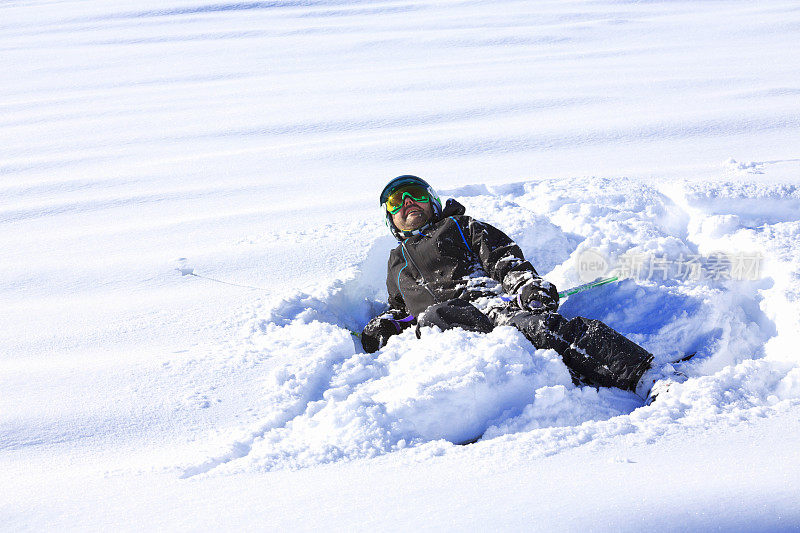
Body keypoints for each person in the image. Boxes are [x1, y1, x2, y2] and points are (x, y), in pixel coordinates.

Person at [360, 175, 684, 403]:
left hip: (484, 309)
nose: (407, 202)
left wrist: (526, 288)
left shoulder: (460, 226)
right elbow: (400, 311)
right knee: (434, 317)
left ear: (430, 199)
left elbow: (504, 260)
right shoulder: (395, 262)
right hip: (437, 339)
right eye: (395, 201)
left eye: (415, 193)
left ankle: (645, 376)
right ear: (390, 218)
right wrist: (384, 325)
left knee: (541, 329)